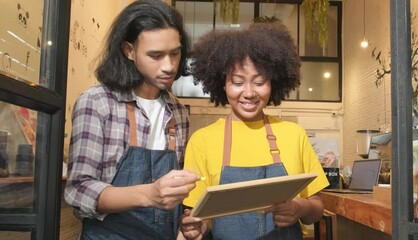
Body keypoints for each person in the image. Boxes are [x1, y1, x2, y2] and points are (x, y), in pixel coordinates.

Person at [179, 23, 329, 240]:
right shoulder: (202, 141)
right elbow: (201, 217)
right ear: (222, 84)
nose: (249, 93)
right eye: (237, 82)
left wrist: (300, 207)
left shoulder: (294, 135)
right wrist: (197, 227)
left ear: (273, 83)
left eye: (259, 82)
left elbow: (316, 209)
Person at [64, 1, 200, 239]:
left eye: (175, 53)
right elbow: (78, 191)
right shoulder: (98, 103)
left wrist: (186, 223)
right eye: (155, 55)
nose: (169, 66)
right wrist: (149, 195)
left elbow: (172, 195)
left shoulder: (177, 111)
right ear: (129, 51)